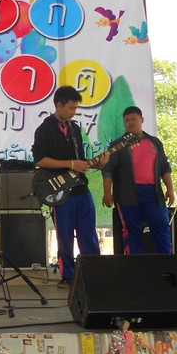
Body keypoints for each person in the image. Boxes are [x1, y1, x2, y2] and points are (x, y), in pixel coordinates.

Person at [32, 86, 108, 287]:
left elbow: (80, 159)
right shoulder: (44, 129)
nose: (74, 112)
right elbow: (40, 160)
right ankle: (67, 276)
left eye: (76, 108)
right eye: (71, 108)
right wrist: (71, 164)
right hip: (59, 191)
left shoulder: (75, 129)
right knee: (64, 236)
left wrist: (97, 164)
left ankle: (93, 273)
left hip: (81, 188)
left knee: (88, 233)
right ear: (59, 105)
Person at [102, 106, 176, 254]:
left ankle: (166, 262)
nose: (130, 122)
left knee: (162, 226)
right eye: (127, 120)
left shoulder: (155, 142)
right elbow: (108, 170)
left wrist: (170, 189)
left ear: (142, 120)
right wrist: (107, 193)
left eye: (134, 119)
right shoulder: (117, 145)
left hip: (153, 193)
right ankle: (135, 264)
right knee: (132, 230)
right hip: (127, 194)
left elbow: (164, 168)